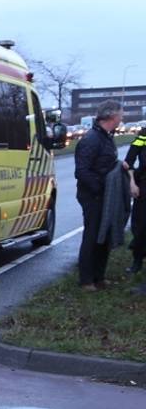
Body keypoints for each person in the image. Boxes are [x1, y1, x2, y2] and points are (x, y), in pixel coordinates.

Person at [74, 100, 138, 290]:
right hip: (94, 197)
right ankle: (86, 280)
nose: (122, 118)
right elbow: (82, 171)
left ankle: (99, 277)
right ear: (111, 116)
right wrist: (101, 189)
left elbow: (107, 163)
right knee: (92, 237)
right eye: (121, 114)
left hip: (105, 196)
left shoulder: (106, 138)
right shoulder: (91, 139)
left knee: (105, 236)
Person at [126, 124, 146, 274]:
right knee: (140, 225)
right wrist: (132, 183)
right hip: (143, 186)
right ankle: (137, 260)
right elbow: (129, 161)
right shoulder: (143, 135)